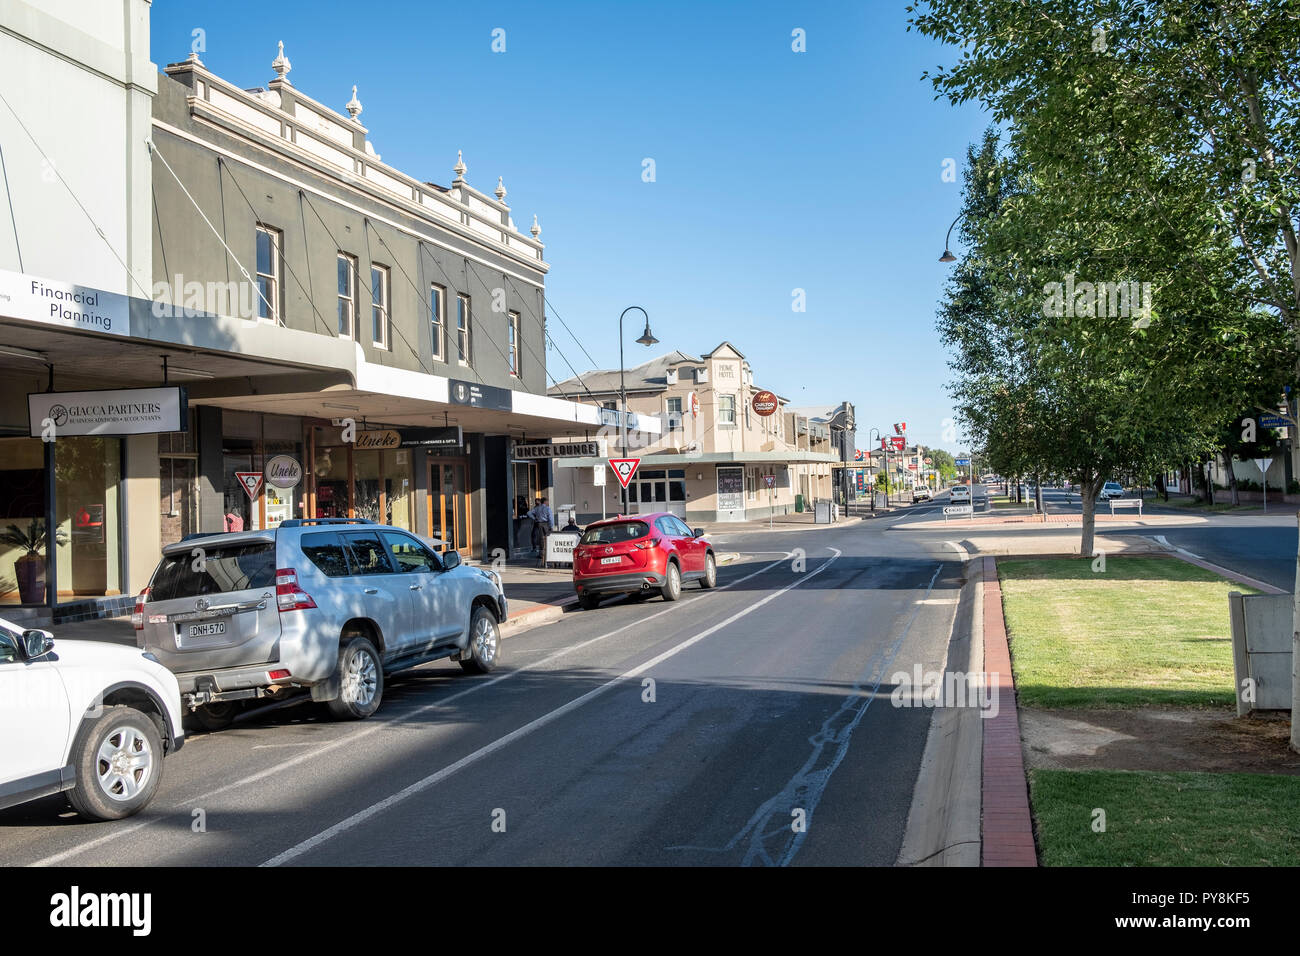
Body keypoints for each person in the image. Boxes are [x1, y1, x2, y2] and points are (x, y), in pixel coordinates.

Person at [527, 496, 553, 565]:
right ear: (545, 502)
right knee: (548, 538)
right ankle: (548, 553)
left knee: (541, 538)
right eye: (547, 501)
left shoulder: (537, 508)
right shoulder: (547, 508)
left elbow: (529, 513)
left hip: (539, 523)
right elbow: (550, 518)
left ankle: (541, 554)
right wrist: (551, 526)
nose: (548, 503)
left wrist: (534, 518)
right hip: (546, 524)